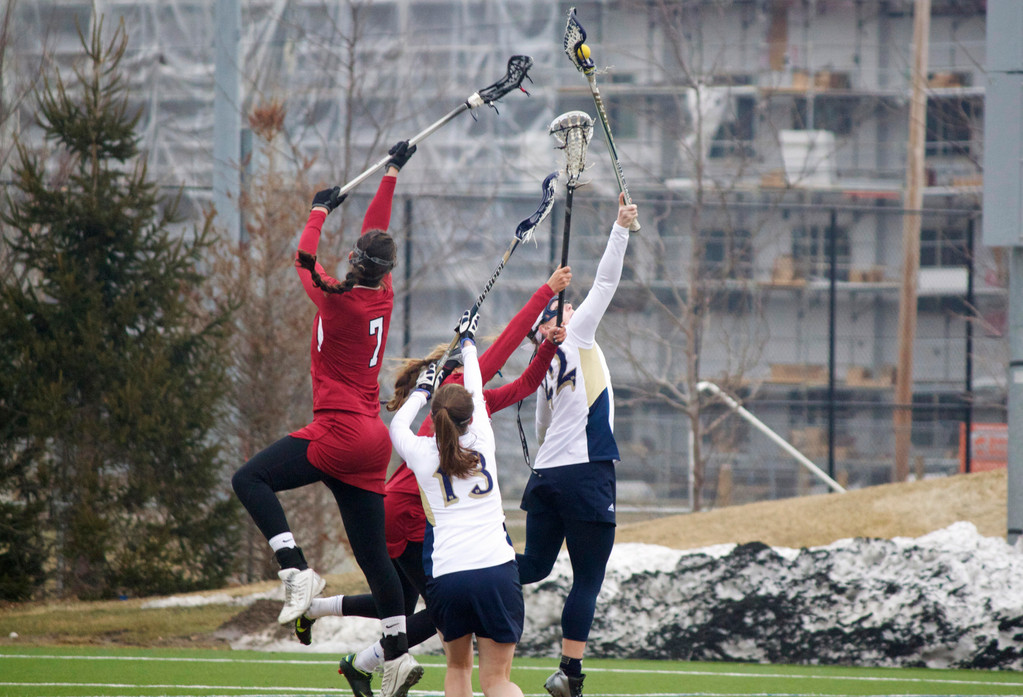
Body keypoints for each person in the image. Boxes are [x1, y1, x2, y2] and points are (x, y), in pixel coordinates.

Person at [296, 267, 571, 697]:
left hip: (412, 519)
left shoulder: (454, 414)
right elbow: (501, 348)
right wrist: (544, 294)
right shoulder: (468, 398)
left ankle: (340, 636)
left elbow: (523, 384)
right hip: (410, 513)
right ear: (457, 377)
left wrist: (546, 352)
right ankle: (370, 663)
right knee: (436, 625)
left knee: (404, 609)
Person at [230, 141, 423, 697]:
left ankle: (294, 568)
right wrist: (389, 174)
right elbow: (376, 229)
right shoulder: (381, 294)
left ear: (357, 264)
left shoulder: (338, 301)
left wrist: (318, 211)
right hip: (371, 442)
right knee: (375, 563)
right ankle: (395, 655)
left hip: (339, 430)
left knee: (251, 478)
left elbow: (302, 260)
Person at [516, 192, 638, 697]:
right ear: (551, 324)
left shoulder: (544, 365)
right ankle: (569, 672)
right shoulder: (576, 335)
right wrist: (621, 228)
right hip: (586, 472)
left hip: (545, 476)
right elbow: (607, 282)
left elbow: (544, 425)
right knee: (586, 578)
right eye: (560, 307)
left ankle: (469, 578)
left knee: (533, 566)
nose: (570, 305)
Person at [390, 308, 525, 697]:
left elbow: (398, 424)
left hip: (448, 576)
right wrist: (468, 342)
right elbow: (478, 386)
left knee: (458, 669)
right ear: (468, 417)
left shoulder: (419, 452)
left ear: (435, 418)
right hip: (495, 570)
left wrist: (422, 389)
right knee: (497, 680)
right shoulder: (482, 435)